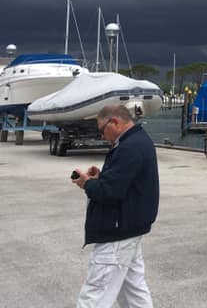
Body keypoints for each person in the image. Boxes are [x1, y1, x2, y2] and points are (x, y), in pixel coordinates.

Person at [71, 105, 159, 308]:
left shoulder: (129, 147)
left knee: (95, 295)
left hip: (117, 231)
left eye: (102, 130)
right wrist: (102, 177)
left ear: (115, 122)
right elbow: (126, 182)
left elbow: (109, 192)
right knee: (133, 292)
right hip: (130, 227)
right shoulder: (139, 140)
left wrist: (87, 183)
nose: (102, 136)